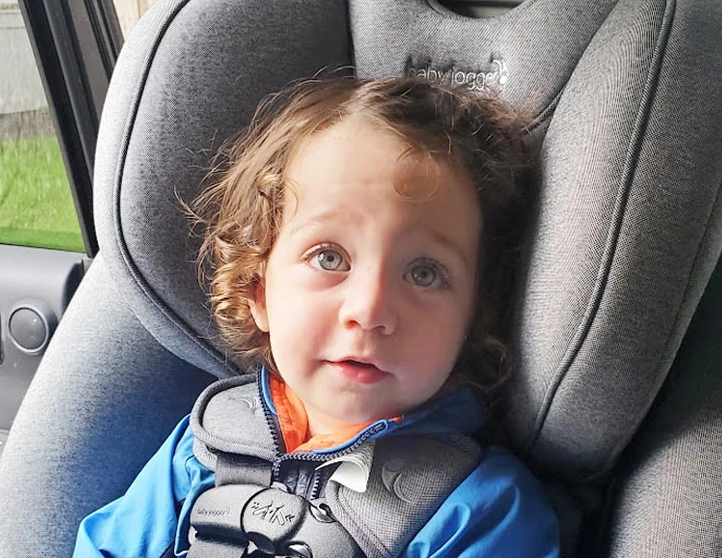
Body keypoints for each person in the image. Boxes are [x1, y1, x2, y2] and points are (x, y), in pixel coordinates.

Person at [72, 77, 560, 557]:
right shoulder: (206, 445)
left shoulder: (481, 511)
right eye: (329, 258)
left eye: (425, 274)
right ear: (258, 289)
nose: (369, 311)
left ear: (472, 319)